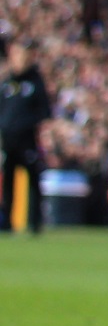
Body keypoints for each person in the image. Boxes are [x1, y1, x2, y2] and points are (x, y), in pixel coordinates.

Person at [0, 41, 51, 235]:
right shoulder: (7, 83)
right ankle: (7, 222)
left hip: (28, 140)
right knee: (8, 183)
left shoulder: (35, 83)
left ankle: (34, 223)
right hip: (8, 141)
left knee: (33, 181)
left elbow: (44, 112)